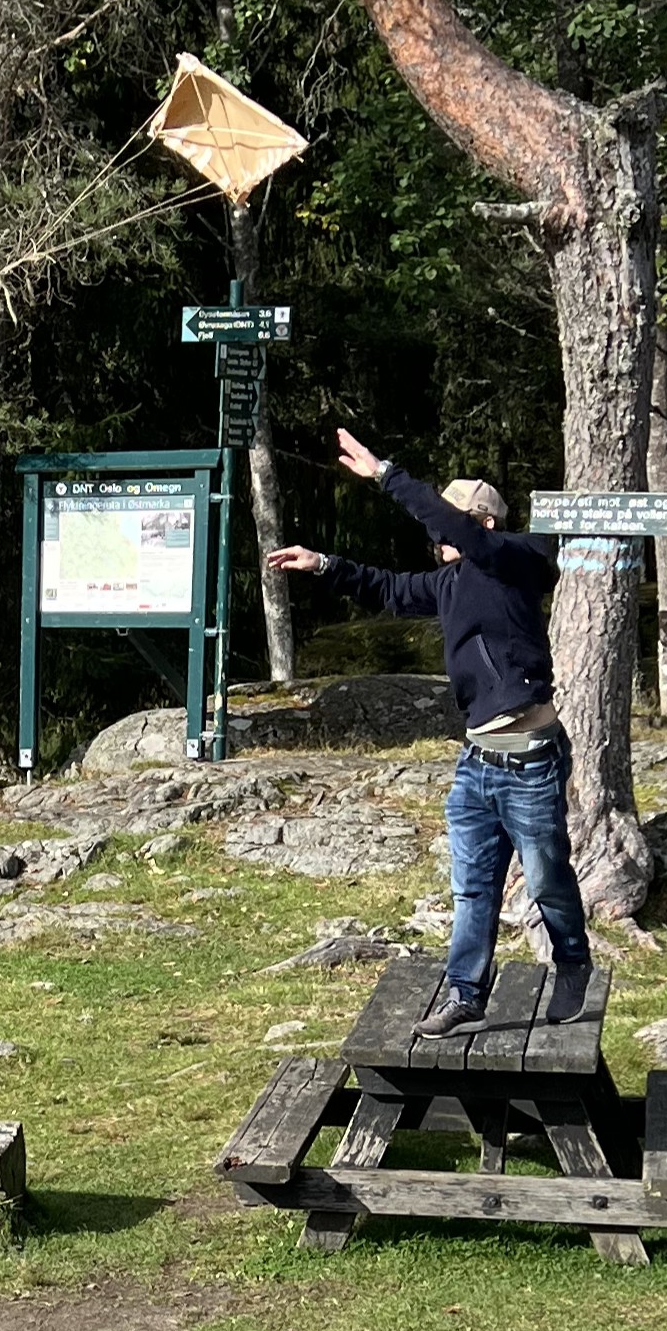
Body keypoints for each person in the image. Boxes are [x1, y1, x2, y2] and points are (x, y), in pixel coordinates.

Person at [267, 428, 594, 1034]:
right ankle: (465, 993)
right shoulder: (447, 584)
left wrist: (386, 475)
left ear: (485, 524)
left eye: (452, 521)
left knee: (547, 878)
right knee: (472, 890)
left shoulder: (519, 560)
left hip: (531, 760)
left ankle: (573, 963)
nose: (438, 532)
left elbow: (463, 533)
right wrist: (323, 565)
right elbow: (387, 588)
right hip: (476, 765)